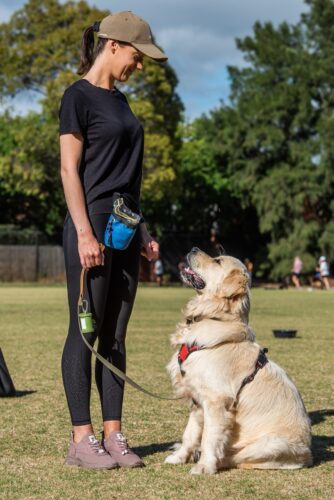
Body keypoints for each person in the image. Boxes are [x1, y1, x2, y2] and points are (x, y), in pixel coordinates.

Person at [59, 11, 167, 469]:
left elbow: (130, 180)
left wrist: (141, 229)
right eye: (138, 57)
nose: (139, 67)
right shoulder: (76, 97)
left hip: (124, 225)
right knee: (86, 331)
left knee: (115, 334)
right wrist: (84, 231)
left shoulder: (121, 103)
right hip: (92, 224)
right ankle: (82, 440)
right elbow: (69, 170)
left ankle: (114, 434)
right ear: (115, 45)